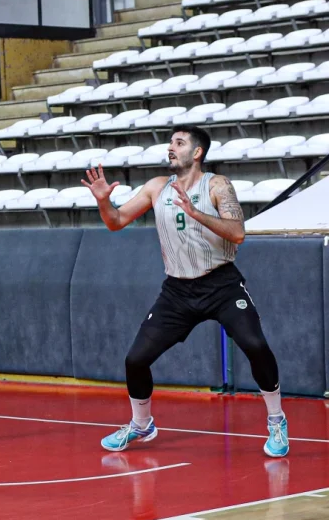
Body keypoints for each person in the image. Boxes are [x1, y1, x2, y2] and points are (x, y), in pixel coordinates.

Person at [82, 126, 288, 457]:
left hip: (220, 284)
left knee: (255, 344)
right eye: (170, 142)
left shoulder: (217, 185)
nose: (170, 148)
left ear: (197, 153)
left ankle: (277, 420)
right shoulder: (156, 188)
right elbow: (116, 221)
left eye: (179, 143)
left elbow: (237, 234)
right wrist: (104, 202)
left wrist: (196, 213)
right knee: (136, 359)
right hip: (177, 290)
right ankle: (141, 424)